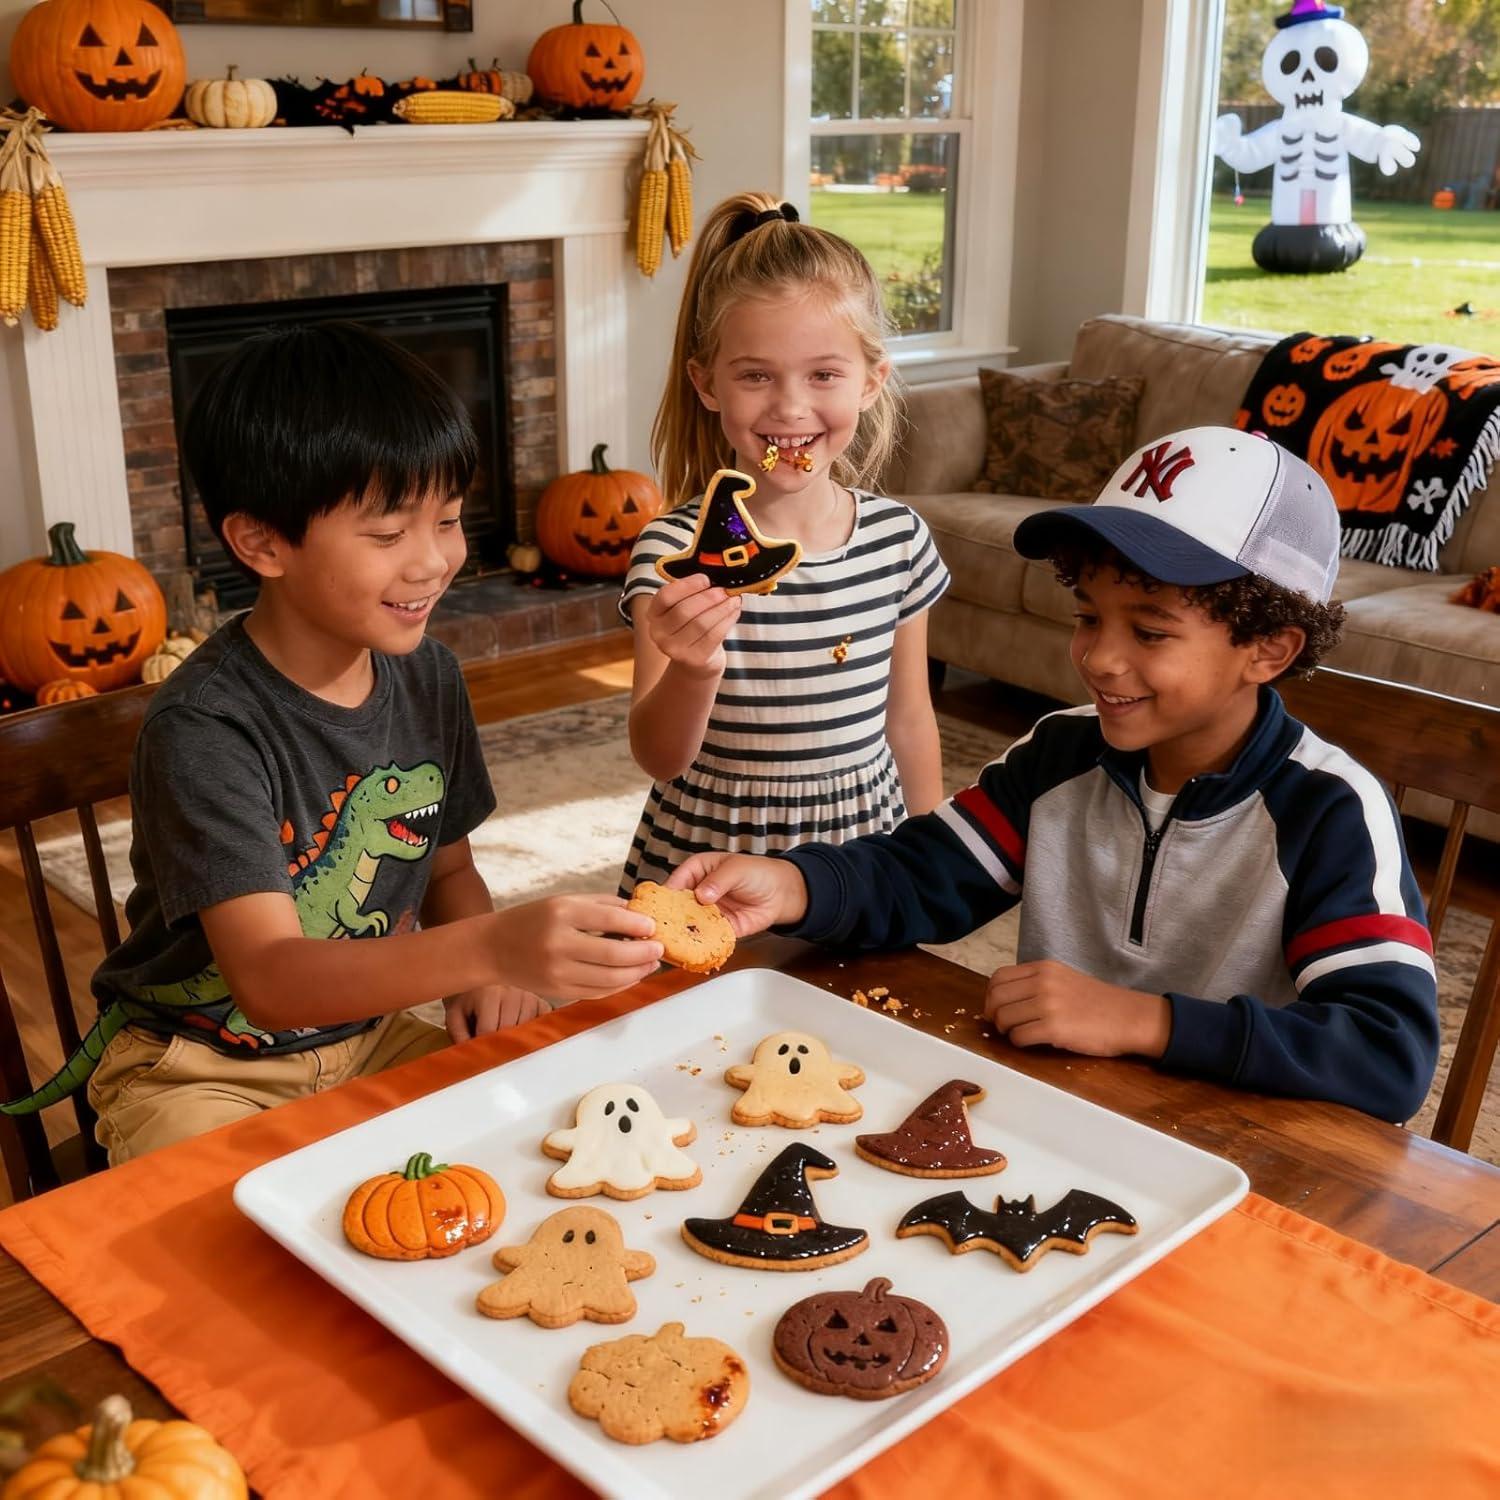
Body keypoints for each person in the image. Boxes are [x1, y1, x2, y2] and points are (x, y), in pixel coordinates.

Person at [1, 323, 662, 1163]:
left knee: (556, 1135)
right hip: (199, 1068)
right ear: (261, 542)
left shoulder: (429, 679)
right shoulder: (205, 727)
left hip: (371, 1036)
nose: (433, 562)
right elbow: (272, 979)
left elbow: (449, 869)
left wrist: (484, 970)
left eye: (450, 520)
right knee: (227, 1247)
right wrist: (491, 946)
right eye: (387, 535)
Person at [665, 426, 1441, 1122]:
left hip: (1239, 1154)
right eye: (1088, 616)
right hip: (1059, 1119)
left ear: (1269, 649)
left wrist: (1143, 1020)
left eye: (1149, 630)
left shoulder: (1330, 811)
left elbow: (1389, 1054)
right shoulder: (1062, 754)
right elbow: (923, 875)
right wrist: (794, 885)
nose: (1100, 658)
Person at [618, 191, 951, 893]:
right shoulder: (671, 553)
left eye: (824, 374)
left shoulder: (899, 542)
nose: (791, 408)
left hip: (862, 852)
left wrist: (930, 867)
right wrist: (695, 665)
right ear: (707, 385)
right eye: (756, 376)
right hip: (708, 858)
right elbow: (659, 757)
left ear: (870, 381)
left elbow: (910, 719)